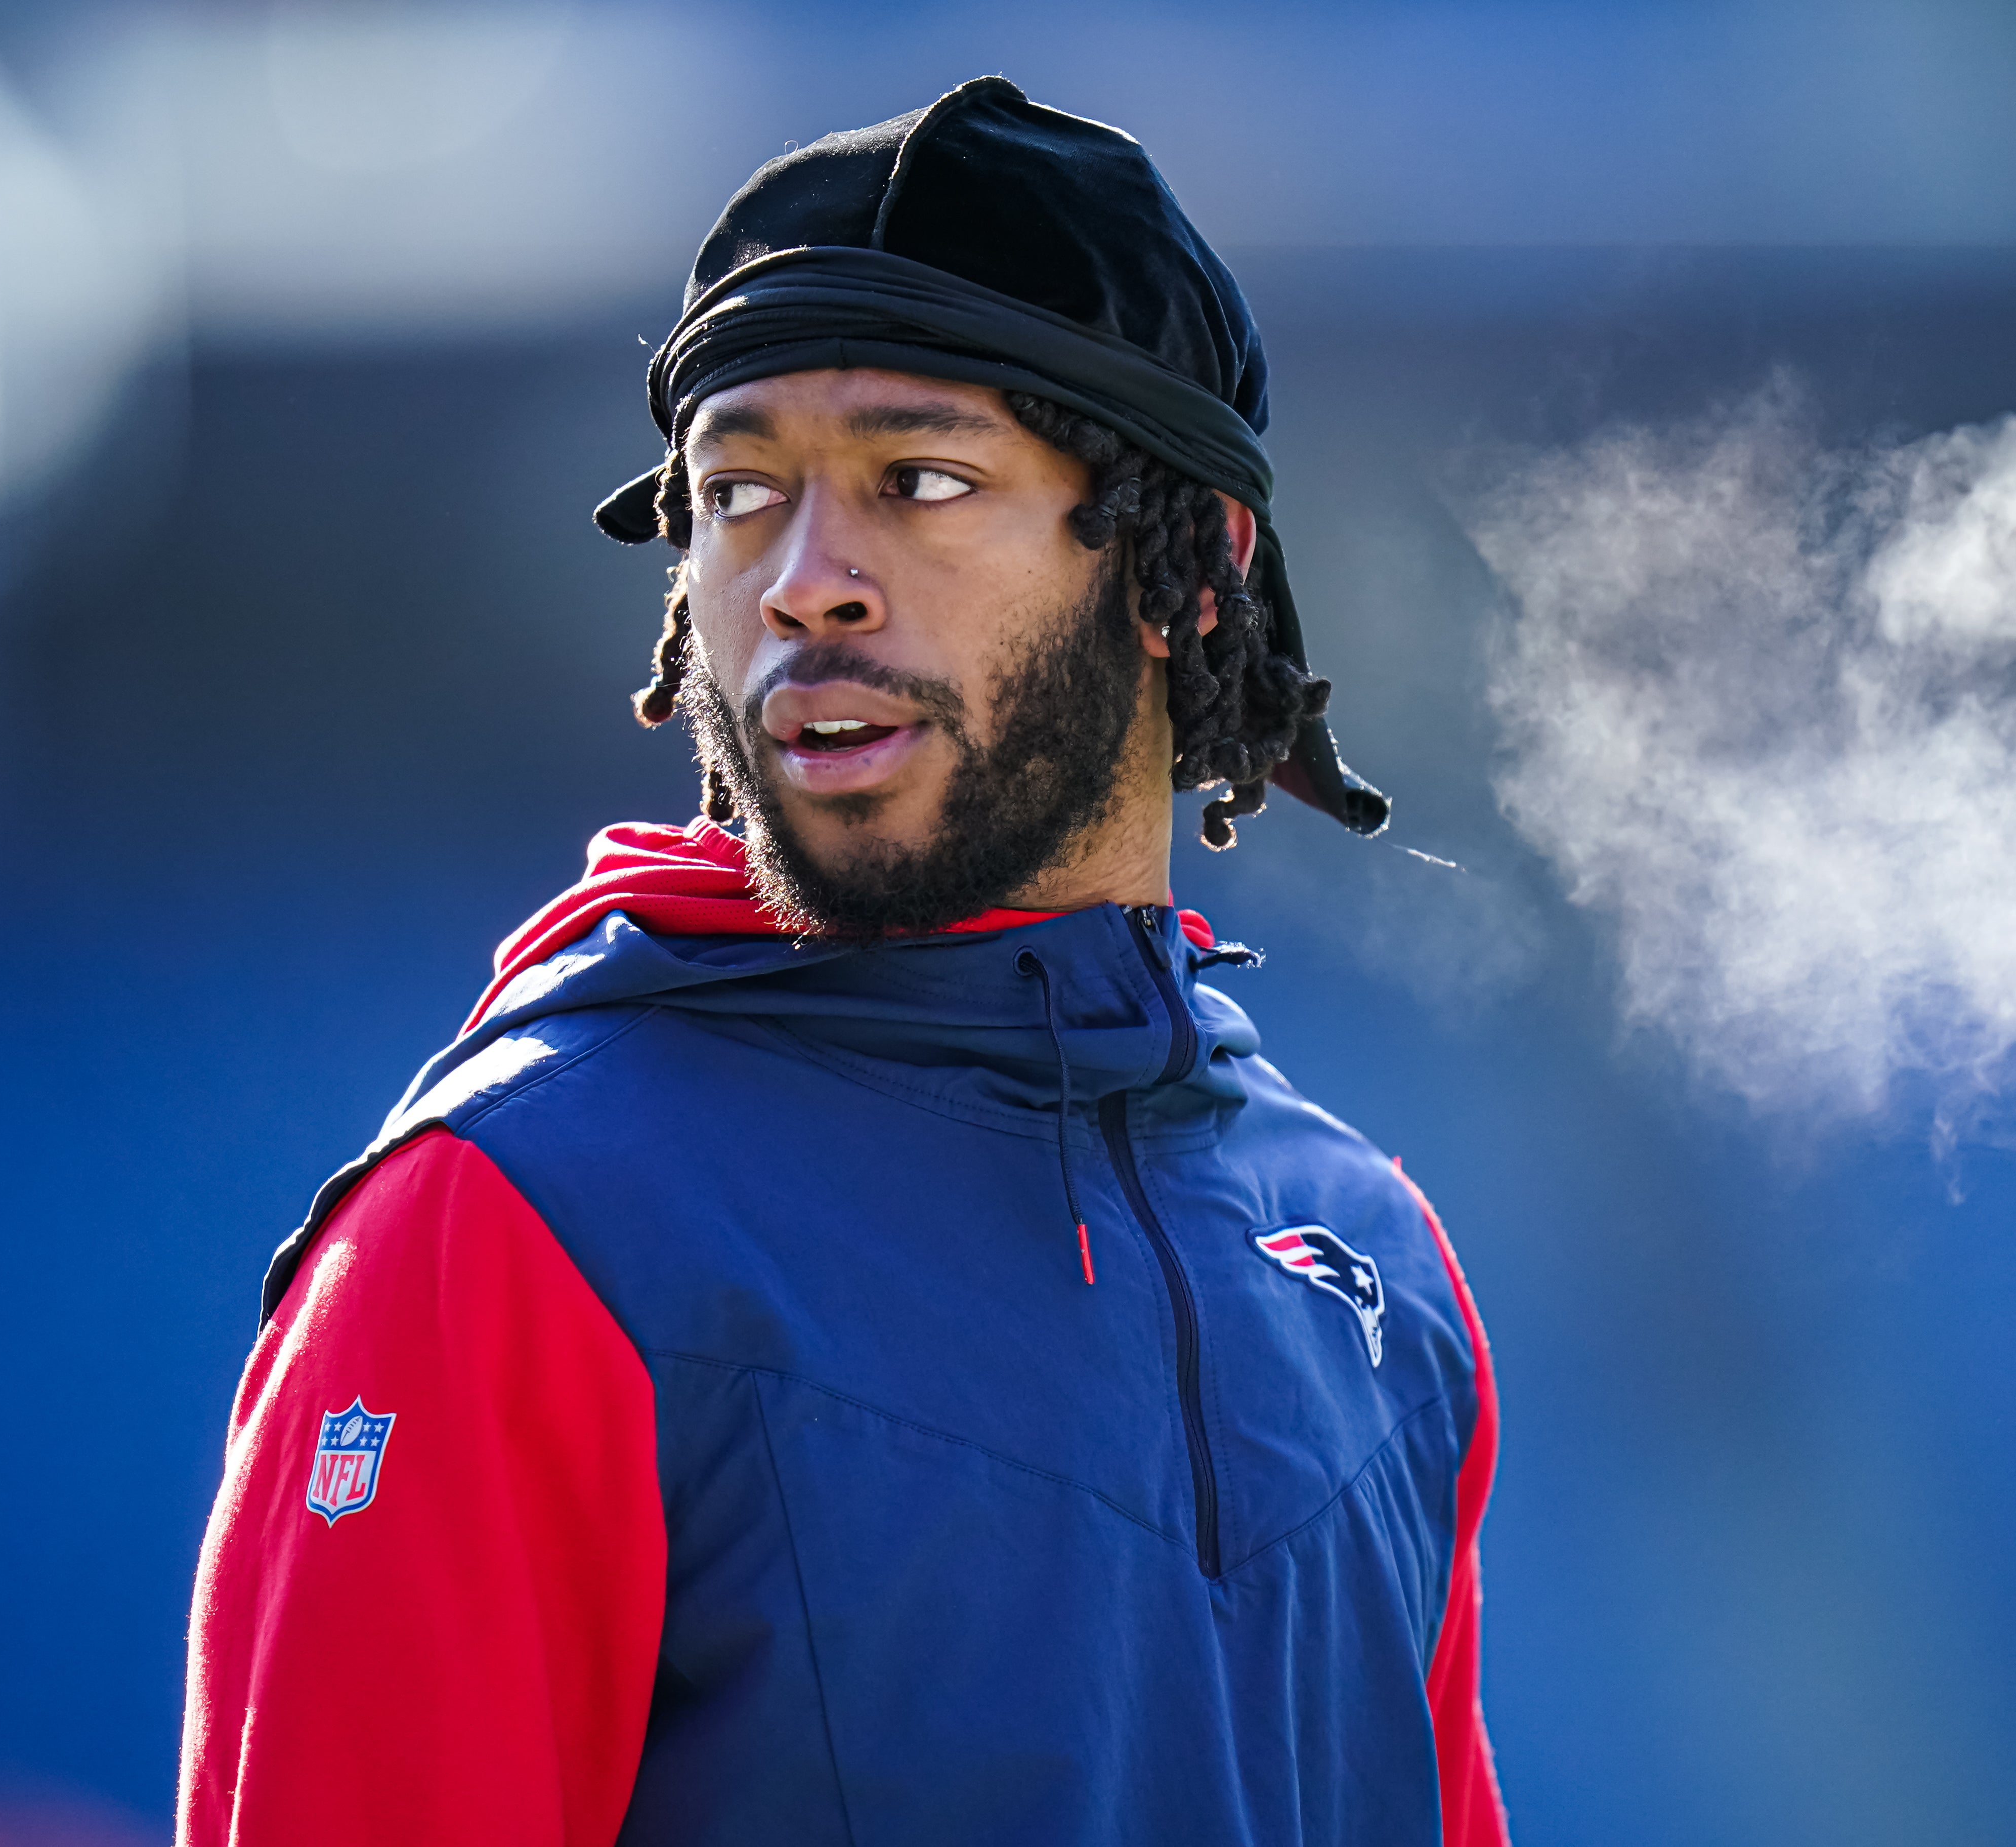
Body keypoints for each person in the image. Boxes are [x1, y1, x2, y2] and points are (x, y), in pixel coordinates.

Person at [176, 77, 1506, 1847]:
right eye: (739, 493)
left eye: (921, 479)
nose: (808, 582)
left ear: (1193, 572)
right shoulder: (506, 1226)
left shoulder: (1377, 1267)